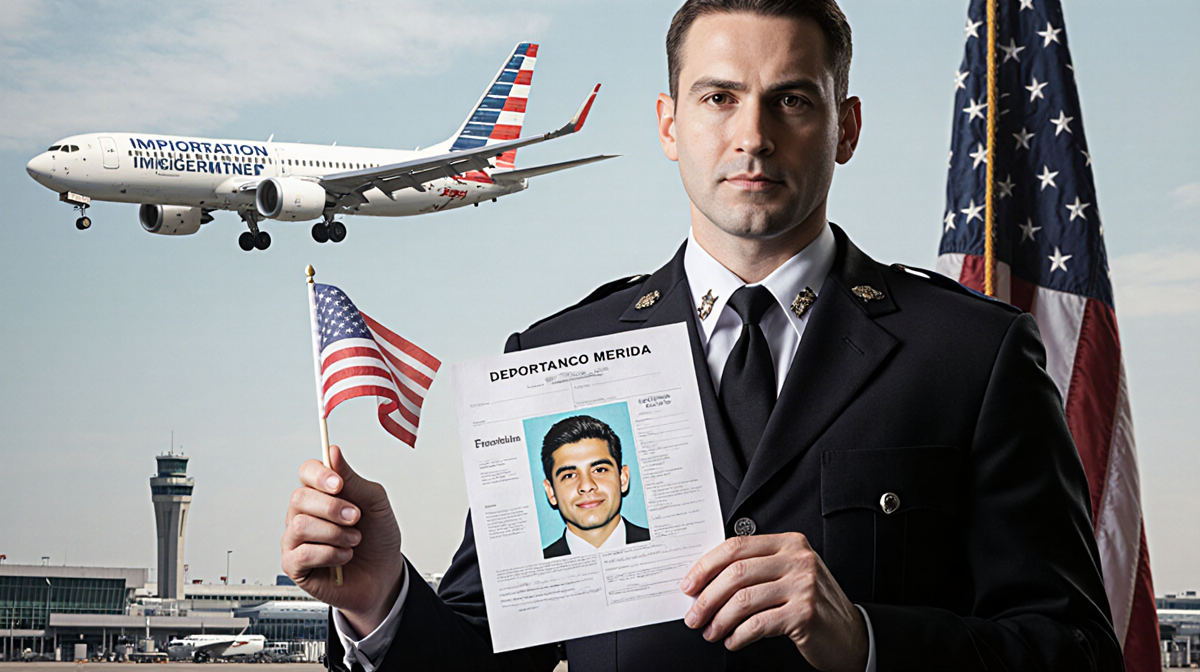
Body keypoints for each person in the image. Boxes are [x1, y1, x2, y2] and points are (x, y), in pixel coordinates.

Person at [281, 1, 1124, 670]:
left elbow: (1077, 652)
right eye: (718, 97)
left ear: (848, 126)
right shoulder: (555, 361)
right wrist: (377, 596)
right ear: (668, 124)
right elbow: (480, 658)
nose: (751, 136)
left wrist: (866, 641)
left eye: (792, 99)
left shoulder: (971, 356)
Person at [538, 415, 651, 559]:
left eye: (599, 470)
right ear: (551, 492)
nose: (586, 486)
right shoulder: (532, 572)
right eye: (569, 475)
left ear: (623, 478)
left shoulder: (672, 547)